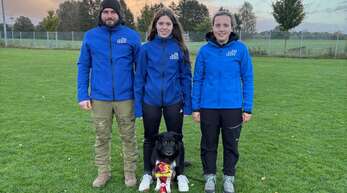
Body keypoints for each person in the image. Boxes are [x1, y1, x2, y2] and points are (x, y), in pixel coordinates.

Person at [76, 0, 141, 188]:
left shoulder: (131, 36)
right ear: (101, 14)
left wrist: (138, 95)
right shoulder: (91, 36)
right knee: (102, 136)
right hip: (99, 97)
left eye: (113, 12)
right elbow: (83, 66)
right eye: (106, 12)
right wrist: (83, 94)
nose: (109, 15)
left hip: (126, 97)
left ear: (119, 14)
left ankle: (129, 173)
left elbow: (140, 69)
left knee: (128, 136)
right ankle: (103, 172)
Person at [192, 11, 254, 193]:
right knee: (208, 144)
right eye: (218, 25)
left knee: (231, 145)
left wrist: (247, 107)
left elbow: (248, 78)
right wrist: (196, 107)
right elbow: (198, 80)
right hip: (208, 107)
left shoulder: (241, 49)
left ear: (231, 28)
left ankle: (229, 178)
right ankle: (209, 176)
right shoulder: (204, 51)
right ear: (212, 27)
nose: (221, 29)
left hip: (232, 107)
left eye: (225, 25)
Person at [134, 7, 192, 192]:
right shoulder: (146, 49)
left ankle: (180, 174)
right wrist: (137, 107)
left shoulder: (180, 49)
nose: (164, 27)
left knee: (177, 139)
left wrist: (188, 104)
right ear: (155, 26)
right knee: (150, 139)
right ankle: (147, 173)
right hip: (150, 102)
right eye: (161, 23)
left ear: (173, 26)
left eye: (168, 23)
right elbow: (139, 78)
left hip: (174, 102)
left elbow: (185, 78)